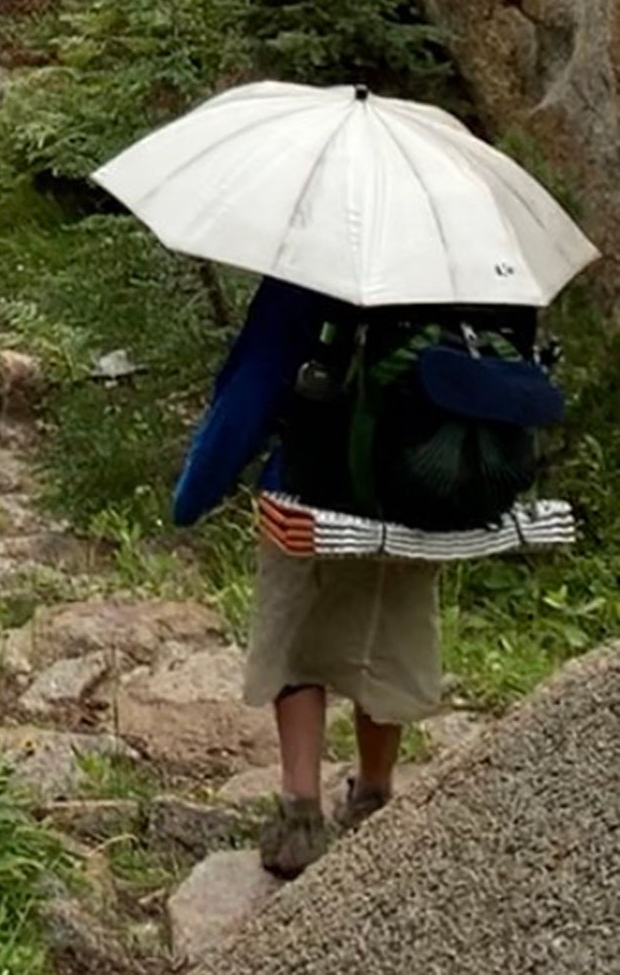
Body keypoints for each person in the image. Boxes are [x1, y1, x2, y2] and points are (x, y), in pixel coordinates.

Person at [173, 278, 553, 877]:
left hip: (308, 491)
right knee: (388, 639)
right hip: (416, 493)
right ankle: (374, 797)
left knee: (296, 648)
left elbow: (253, 383)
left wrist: (192, 497)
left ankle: (300, 814)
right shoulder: (462, 273)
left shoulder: (317, 268)